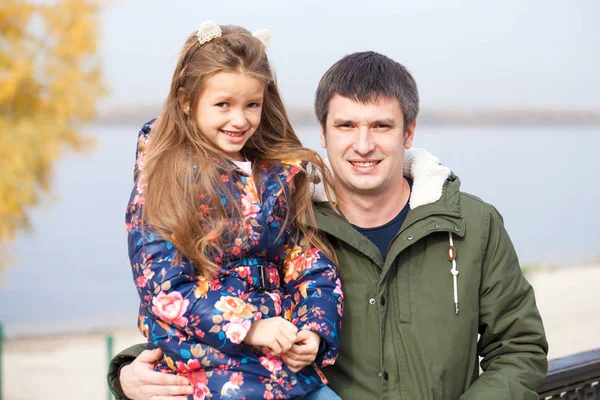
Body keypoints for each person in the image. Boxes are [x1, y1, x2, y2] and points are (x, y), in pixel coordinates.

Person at [109, 51, 548, 400]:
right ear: (323, 133)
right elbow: (196, 294)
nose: (363, 144)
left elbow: (520, 348)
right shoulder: (291, 221)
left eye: (381, 126)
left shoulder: (472, 224)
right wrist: (127, 374)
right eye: (346, 125)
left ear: (408, 132)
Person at [121, 21, 344, 400]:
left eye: (251, 105)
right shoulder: (165, 178)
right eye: (223, 104)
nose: (239, 120)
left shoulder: (275, 173)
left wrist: (314, 327)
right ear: (186, 101)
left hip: (286, 371)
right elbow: (163, 287)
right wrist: (250, 327)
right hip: (207, 374)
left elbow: (306, 259)